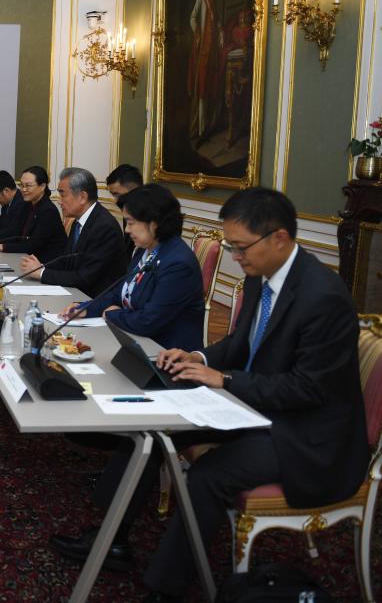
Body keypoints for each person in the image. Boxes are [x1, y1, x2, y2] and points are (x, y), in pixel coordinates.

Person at [50, 187, 369, 603]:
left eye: (240, 248)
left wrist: (225, 380)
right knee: (151, 429)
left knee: (208, 476)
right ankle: (111, 538)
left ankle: (165, 588)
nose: (235, 258)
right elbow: (241, 342)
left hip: (302, 432)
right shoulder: (261, 272)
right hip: (251, 403)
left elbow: (308, 389)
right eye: (231, 247)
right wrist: (198, 356)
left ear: (279, 238)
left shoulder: (323, 297)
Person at [61, 183, 205, 355]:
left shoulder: (178, 263)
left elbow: (148, 321)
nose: (127, 229)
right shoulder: (145, 249)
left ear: (154, 223)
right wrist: (86, 309)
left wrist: (111, 315)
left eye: (130, 222)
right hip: (134, 342)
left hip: (165, 355)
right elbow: (118, 294)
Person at [20, 167, 126, 296]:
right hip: (75, 293)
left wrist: (42, 273)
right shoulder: (79, 221)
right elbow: (68, 262)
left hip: (93, 299)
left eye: (63, 194)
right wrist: (41, 266)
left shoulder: (104, 227)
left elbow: (84, 278)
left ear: (82, 197)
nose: (59, 201)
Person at [0, 165, 66, 263]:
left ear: (42, 186)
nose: (23, 190)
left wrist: (1, 246)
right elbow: (17, 234)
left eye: (28, 186)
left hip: (47, 265)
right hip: (28, 260)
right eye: (22, 185)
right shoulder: (29, 205)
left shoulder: (48, 211)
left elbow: (32, 245)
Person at [189, 0, 224, 142]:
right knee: (202, 87)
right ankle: (201, 130)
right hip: (203, 49)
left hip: (213, 50)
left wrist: (221, 31)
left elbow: (215, 19)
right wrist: (197, 34)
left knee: (210, 86)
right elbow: (192, 17)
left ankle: (208, 126)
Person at [106, 163, 143, 258]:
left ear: (135, 190)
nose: (115, 201)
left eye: (117, 194)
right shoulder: (129, 210)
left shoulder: (148, 216)